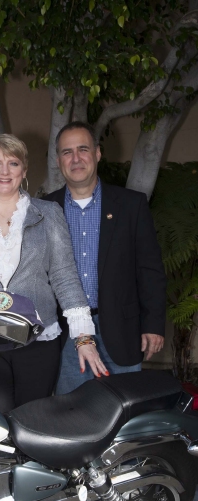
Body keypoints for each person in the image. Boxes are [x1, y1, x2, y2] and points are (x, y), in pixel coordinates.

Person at [0, 134, 108, 413]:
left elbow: (64, 276)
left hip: (38, 342)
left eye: (13, 163)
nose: (4, 172)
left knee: (33, 418)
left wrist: (84, 338)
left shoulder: (49, 213)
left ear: (24, 171)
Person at [45, 121, 166, 394]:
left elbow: (150, 270)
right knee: (71, 417)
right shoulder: (45, 209)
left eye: (83, 149)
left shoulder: (131, 205)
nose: (76, 159)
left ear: (98, 153)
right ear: (58, 160)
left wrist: (153, 325)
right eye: (67, 152)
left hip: (122, 332)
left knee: (121, 416)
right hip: (65, 337)